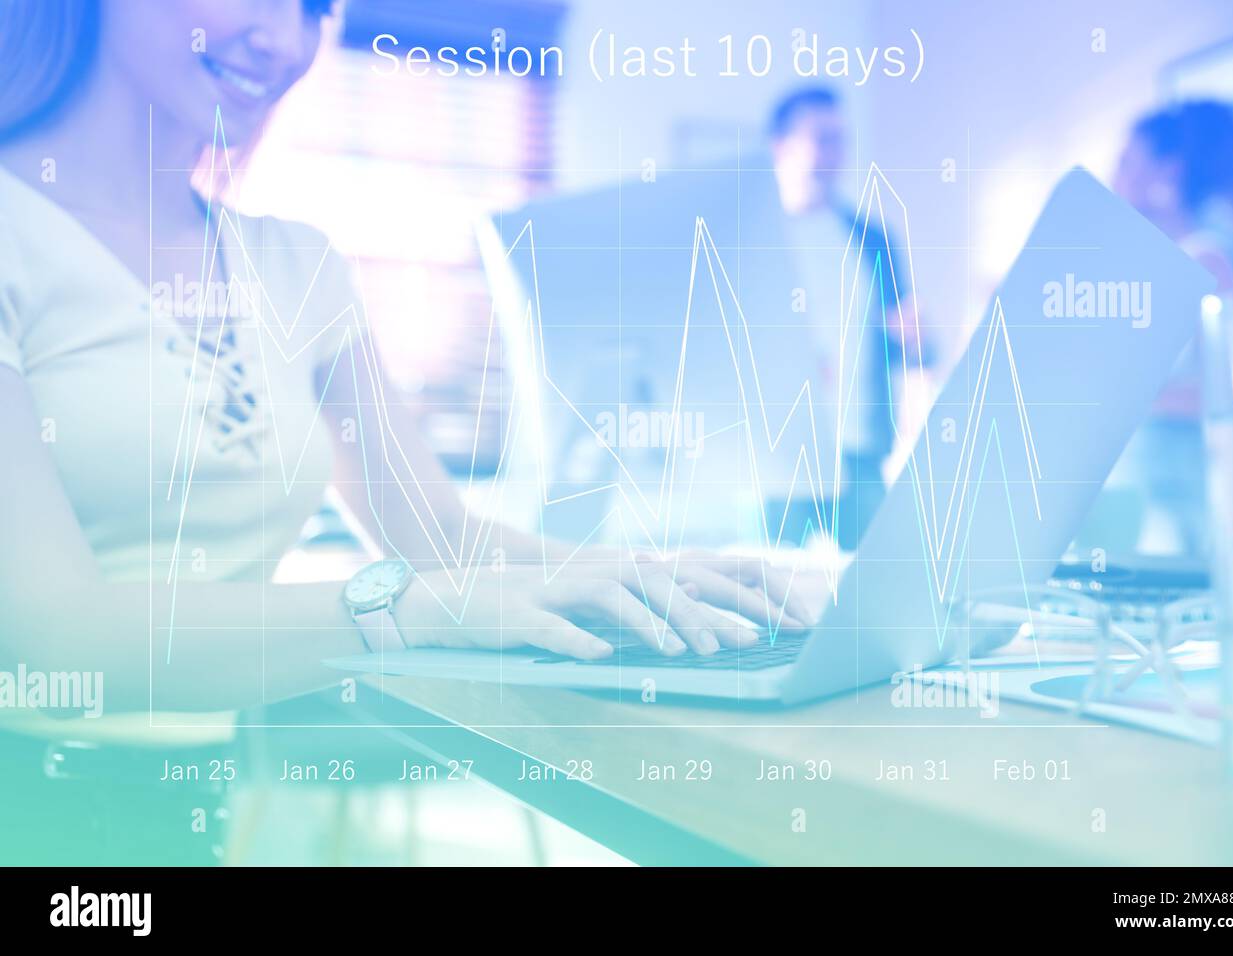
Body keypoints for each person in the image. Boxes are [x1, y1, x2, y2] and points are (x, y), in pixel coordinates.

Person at [0, 0, 810, 863]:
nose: (283, 39)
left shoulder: (293, 265)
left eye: (314, 7)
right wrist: (406, 611)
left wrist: (657, 577)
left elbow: (437, 537)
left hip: (181, 813)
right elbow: (57, 639)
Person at [1105, 100, 1233, 555]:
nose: (1115, 175)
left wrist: (1120, 395)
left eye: (1128, 162)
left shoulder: (1208, 259)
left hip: (1188, 495)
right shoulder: (1150, 263)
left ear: (1167, 172)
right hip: (1142, 489)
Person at [766, 86, 915, 549]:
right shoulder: (752, 240)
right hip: (779, 455)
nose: (834, 152)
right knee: (768, 596)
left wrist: (922, 341)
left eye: (840, 139)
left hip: (860, 450)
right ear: (781, 145)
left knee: (873, 581)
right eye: (821, 138)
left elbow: (908, 342)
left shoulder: (872, 239)